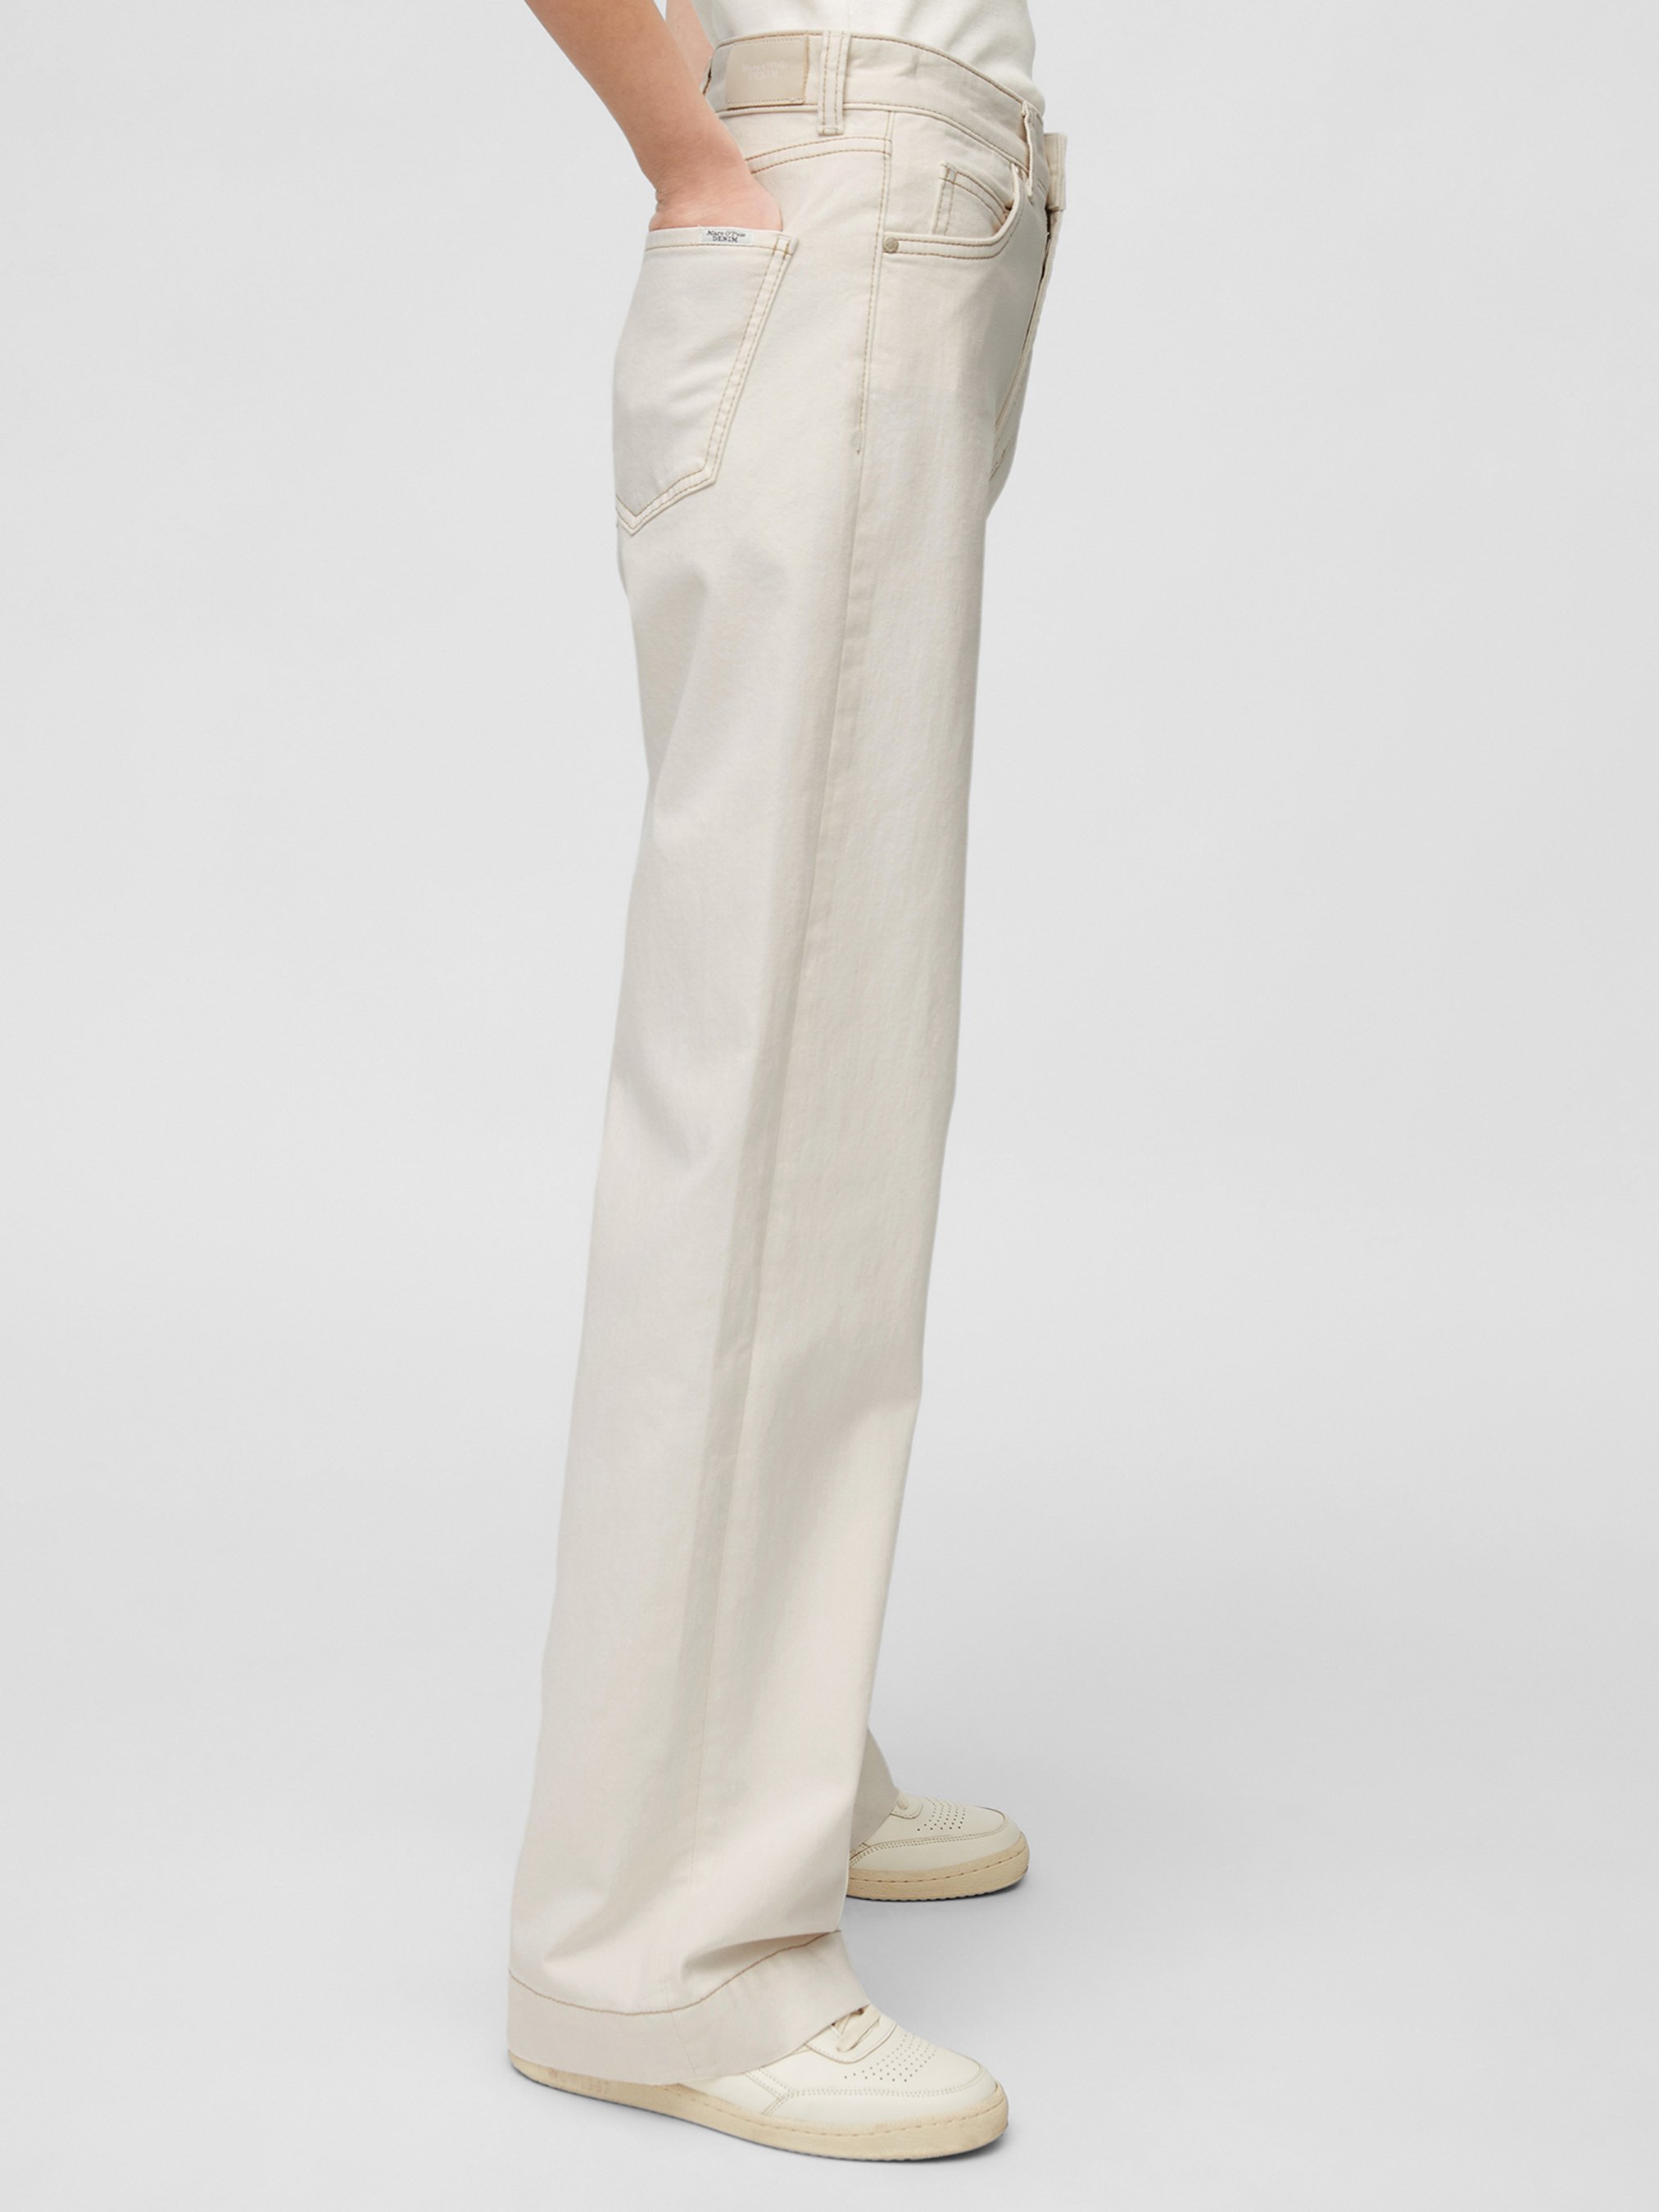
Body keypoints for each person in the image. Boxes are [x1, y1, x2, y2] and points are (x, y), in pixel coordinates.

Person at [508, 0, 1063, 2160]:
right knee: (778, 1086)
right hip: (831, 209)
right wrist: (695, 151)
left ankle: (760, 1756)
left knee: (828, 1090)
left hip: (898, 212)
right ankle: (661, 1951)